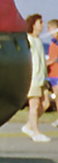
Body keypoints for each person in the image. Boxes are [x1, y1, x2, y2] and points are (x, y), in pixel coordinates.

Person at [22, 14, 50, 142]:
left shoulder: (39, 41)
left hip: (42, 78)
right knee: (34, 105)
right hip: (33, 78)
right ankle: (36, 132)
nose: (42, 25)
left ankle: (28, 126)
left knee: (45, 103)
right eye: (40, 22)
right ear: (33, 24)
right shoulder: (28, 40)